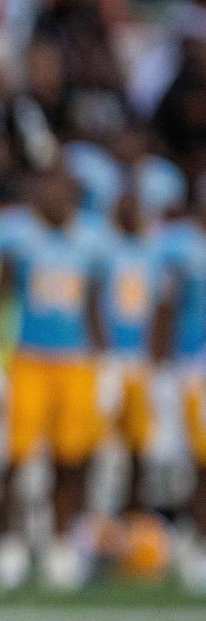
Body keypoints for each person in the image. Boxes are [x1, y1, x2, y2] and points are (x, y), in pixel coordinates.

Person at [0, 166, 108, 591]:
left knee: (71, 458)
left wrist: (104, 358)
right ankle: (9, 544)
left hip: (76, 361)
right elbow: (0, 294)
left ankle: (60, 542)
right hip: (29, 359)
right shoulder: (17, 234)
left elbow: (95, 305)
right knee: (17, 458)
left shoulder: (93, 239)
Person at [97, 187, 165, 515]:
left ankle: (133, 513)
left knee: (141, 443)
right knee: (99, 441)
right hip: (107, 356)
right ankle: (97, 514)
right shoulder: (103, 249)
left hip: (141, 357)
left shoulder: (156, 251)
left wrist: (157, 356)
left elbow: (164, 307)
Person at [162, 173, 206, 592]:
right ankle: (191, 542)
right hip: (193, 365)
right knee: (196, 462)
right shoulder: (182, 246)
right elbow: (166, 306)